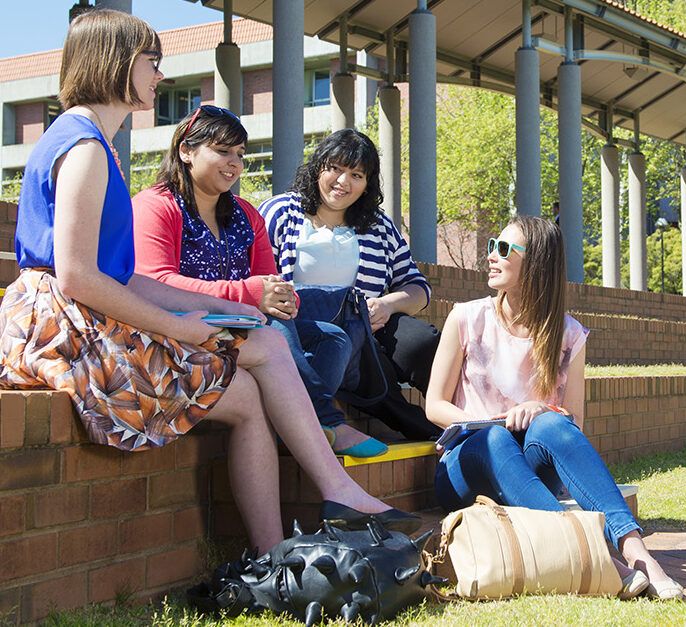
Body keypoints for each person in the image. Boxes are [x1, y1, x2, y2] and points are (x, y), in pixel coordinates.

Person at [0, 9, 408, 553]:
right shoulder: (84, 148)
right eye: (152, 62)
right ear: (117, 61)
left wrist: (209, 309)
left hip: (83, 315)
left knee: (247, 385)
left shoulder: (88, 140)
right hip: (66, 332)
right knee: (259, 345)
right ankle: (332, 492)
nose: (158, 77)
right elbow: (75, 275)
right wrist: (179, 326)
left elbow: (122, 277)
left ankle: (272, 554)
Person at [426, 215, 684, 601]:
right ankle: (595, 555)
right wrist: (488, 422)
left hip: (525, 472)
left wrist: (540, 409)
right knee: (496, 437)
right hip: (466, 464)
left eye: (502, 249)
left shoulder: (568, 334)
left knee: (553, 426)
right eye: (492, 245)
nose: (490, 256)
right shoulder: (466, 317)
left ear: (535, 264)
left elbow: (573, 424)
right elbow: (434, 405)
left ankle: (638, 553)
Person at [131, 106, 385, 457]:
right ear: (186, 151)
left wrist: (283, 298)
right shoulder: (156, 205)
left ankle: (295, 427)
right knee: (273, 331)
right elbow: (155, 283)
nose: (234, 163)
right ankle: (323, 420)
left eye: (240, 154)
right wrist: (249, 295)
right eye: (223, 151)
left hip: (237, 325)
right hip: (180, 327)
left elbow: (269, 280)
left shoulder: (246, 214)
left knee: (333, 338)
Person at [260, 130, 441, 442]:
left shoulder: (379, 225)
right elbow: (257, 276)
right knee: (373, 375)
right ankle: (434, 434)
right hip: (304, 326)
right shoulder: (281, 212)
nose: (344, 182)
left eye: (356, 175)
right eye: (336, 169)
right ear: (318, 167)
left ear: (367, 183)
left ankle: (466, 413)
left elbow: (418, 288)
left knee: (423, 341)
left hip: (370, 325)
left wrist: (388, 304)